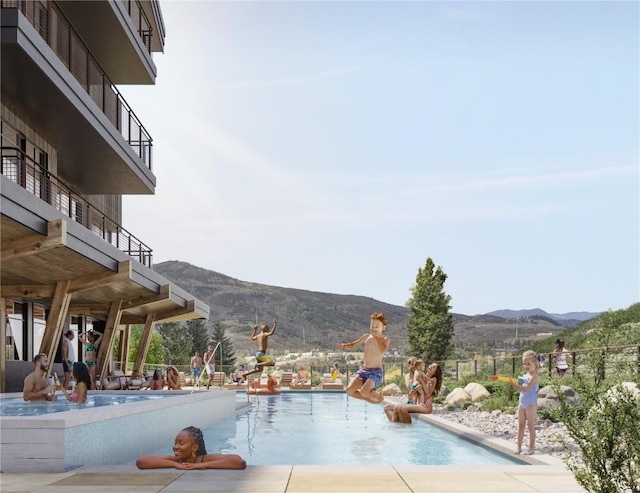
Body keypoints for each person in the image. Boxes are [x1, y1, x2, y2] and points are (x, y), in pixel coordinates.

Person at [136, 426, 246, 470]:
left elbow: (238, 462)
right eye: (175, 443)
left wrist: (202, 465)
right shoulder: (176, 460)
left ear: (194, 447)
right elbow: (142, 461)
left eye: (181, 443)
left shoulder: (205, 459)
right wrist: (174, 464)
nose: (175, 447)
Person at [339, 311, 390, 404]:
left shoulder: (385, 339)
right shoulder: (366, 337)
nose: (374, 328)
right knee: (349, 391)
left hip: (375, 373)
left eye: (376, 326)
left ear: (383, 327)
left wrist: (377, 338)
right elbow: (354, 344)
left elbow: (382, 351)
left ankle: (379, 396)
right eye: (372, 326)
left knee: (364, 391)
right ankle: (368, 399)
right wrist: (345, 345)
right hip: (364, 371)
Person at [510, 350, 540, 455]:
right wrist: (516, 383)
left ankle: (531, 448)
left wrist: (514, 385)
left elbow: (526, 388)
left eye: (528, 364)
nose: (526, 366)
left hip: (531, 403)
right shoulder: (525, 375)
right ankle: (518, 447)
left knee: (530, 425)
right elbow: (521, 388)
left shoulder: (534, 376)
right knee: (521, 425)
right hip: (522, 402)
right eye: (524, 364)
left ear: (535, 364)